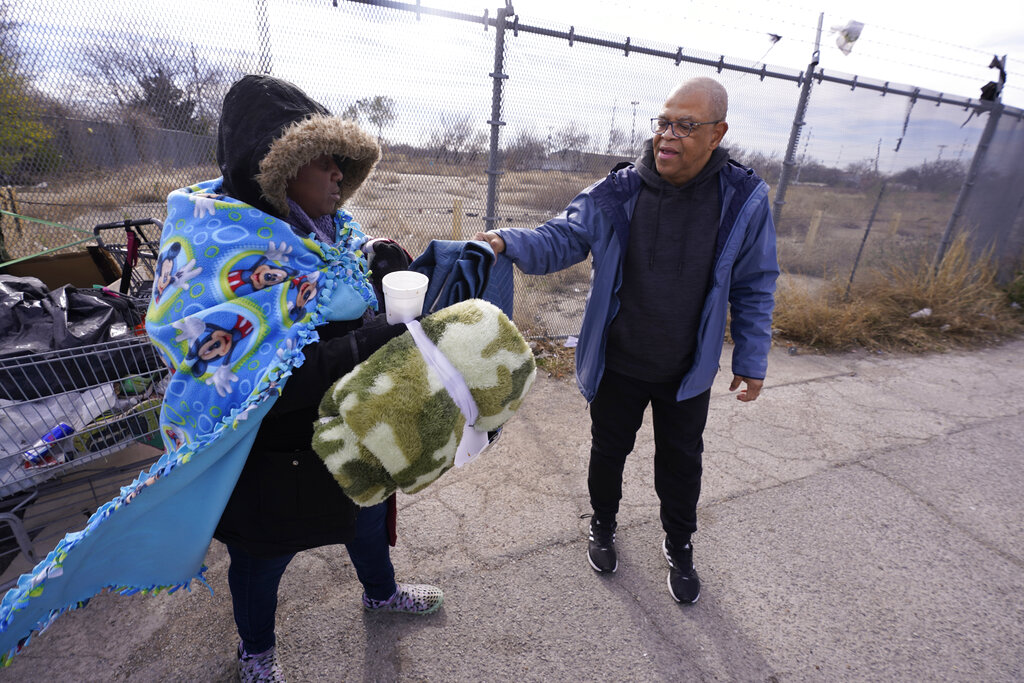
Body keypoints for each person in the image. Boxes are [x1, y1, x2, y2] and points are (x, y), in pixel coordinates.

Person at [157, 75, 443, 682]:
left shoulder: (332, 233)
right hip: (269, 450)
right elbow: (263, 379)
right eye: (325, 160)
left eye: (344, 162)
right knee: (263, 558)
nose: (339, 174)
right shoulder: (224, 251)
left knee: (366, 516)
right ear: (277, 167)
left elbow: (345, 289)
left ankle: (380, 594)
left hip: (346, 425)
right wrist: (369, 339)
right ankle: (255, 651)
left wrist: (382, 271)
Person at [474, 77, 778, 605]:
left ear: (717, 134)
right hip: (620, 361)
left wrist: (751, 357)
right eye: (664, 122)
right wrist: (506, 240)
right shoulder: (618, 191)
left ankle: (680, 544)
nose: (669, 135)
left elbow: (755, 283)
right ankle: (603, 524)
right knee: (608, 451)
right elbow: (561, 237)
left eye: (686, 125)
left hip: (688, 368)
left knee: (681, 462)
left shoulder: (743, 200)